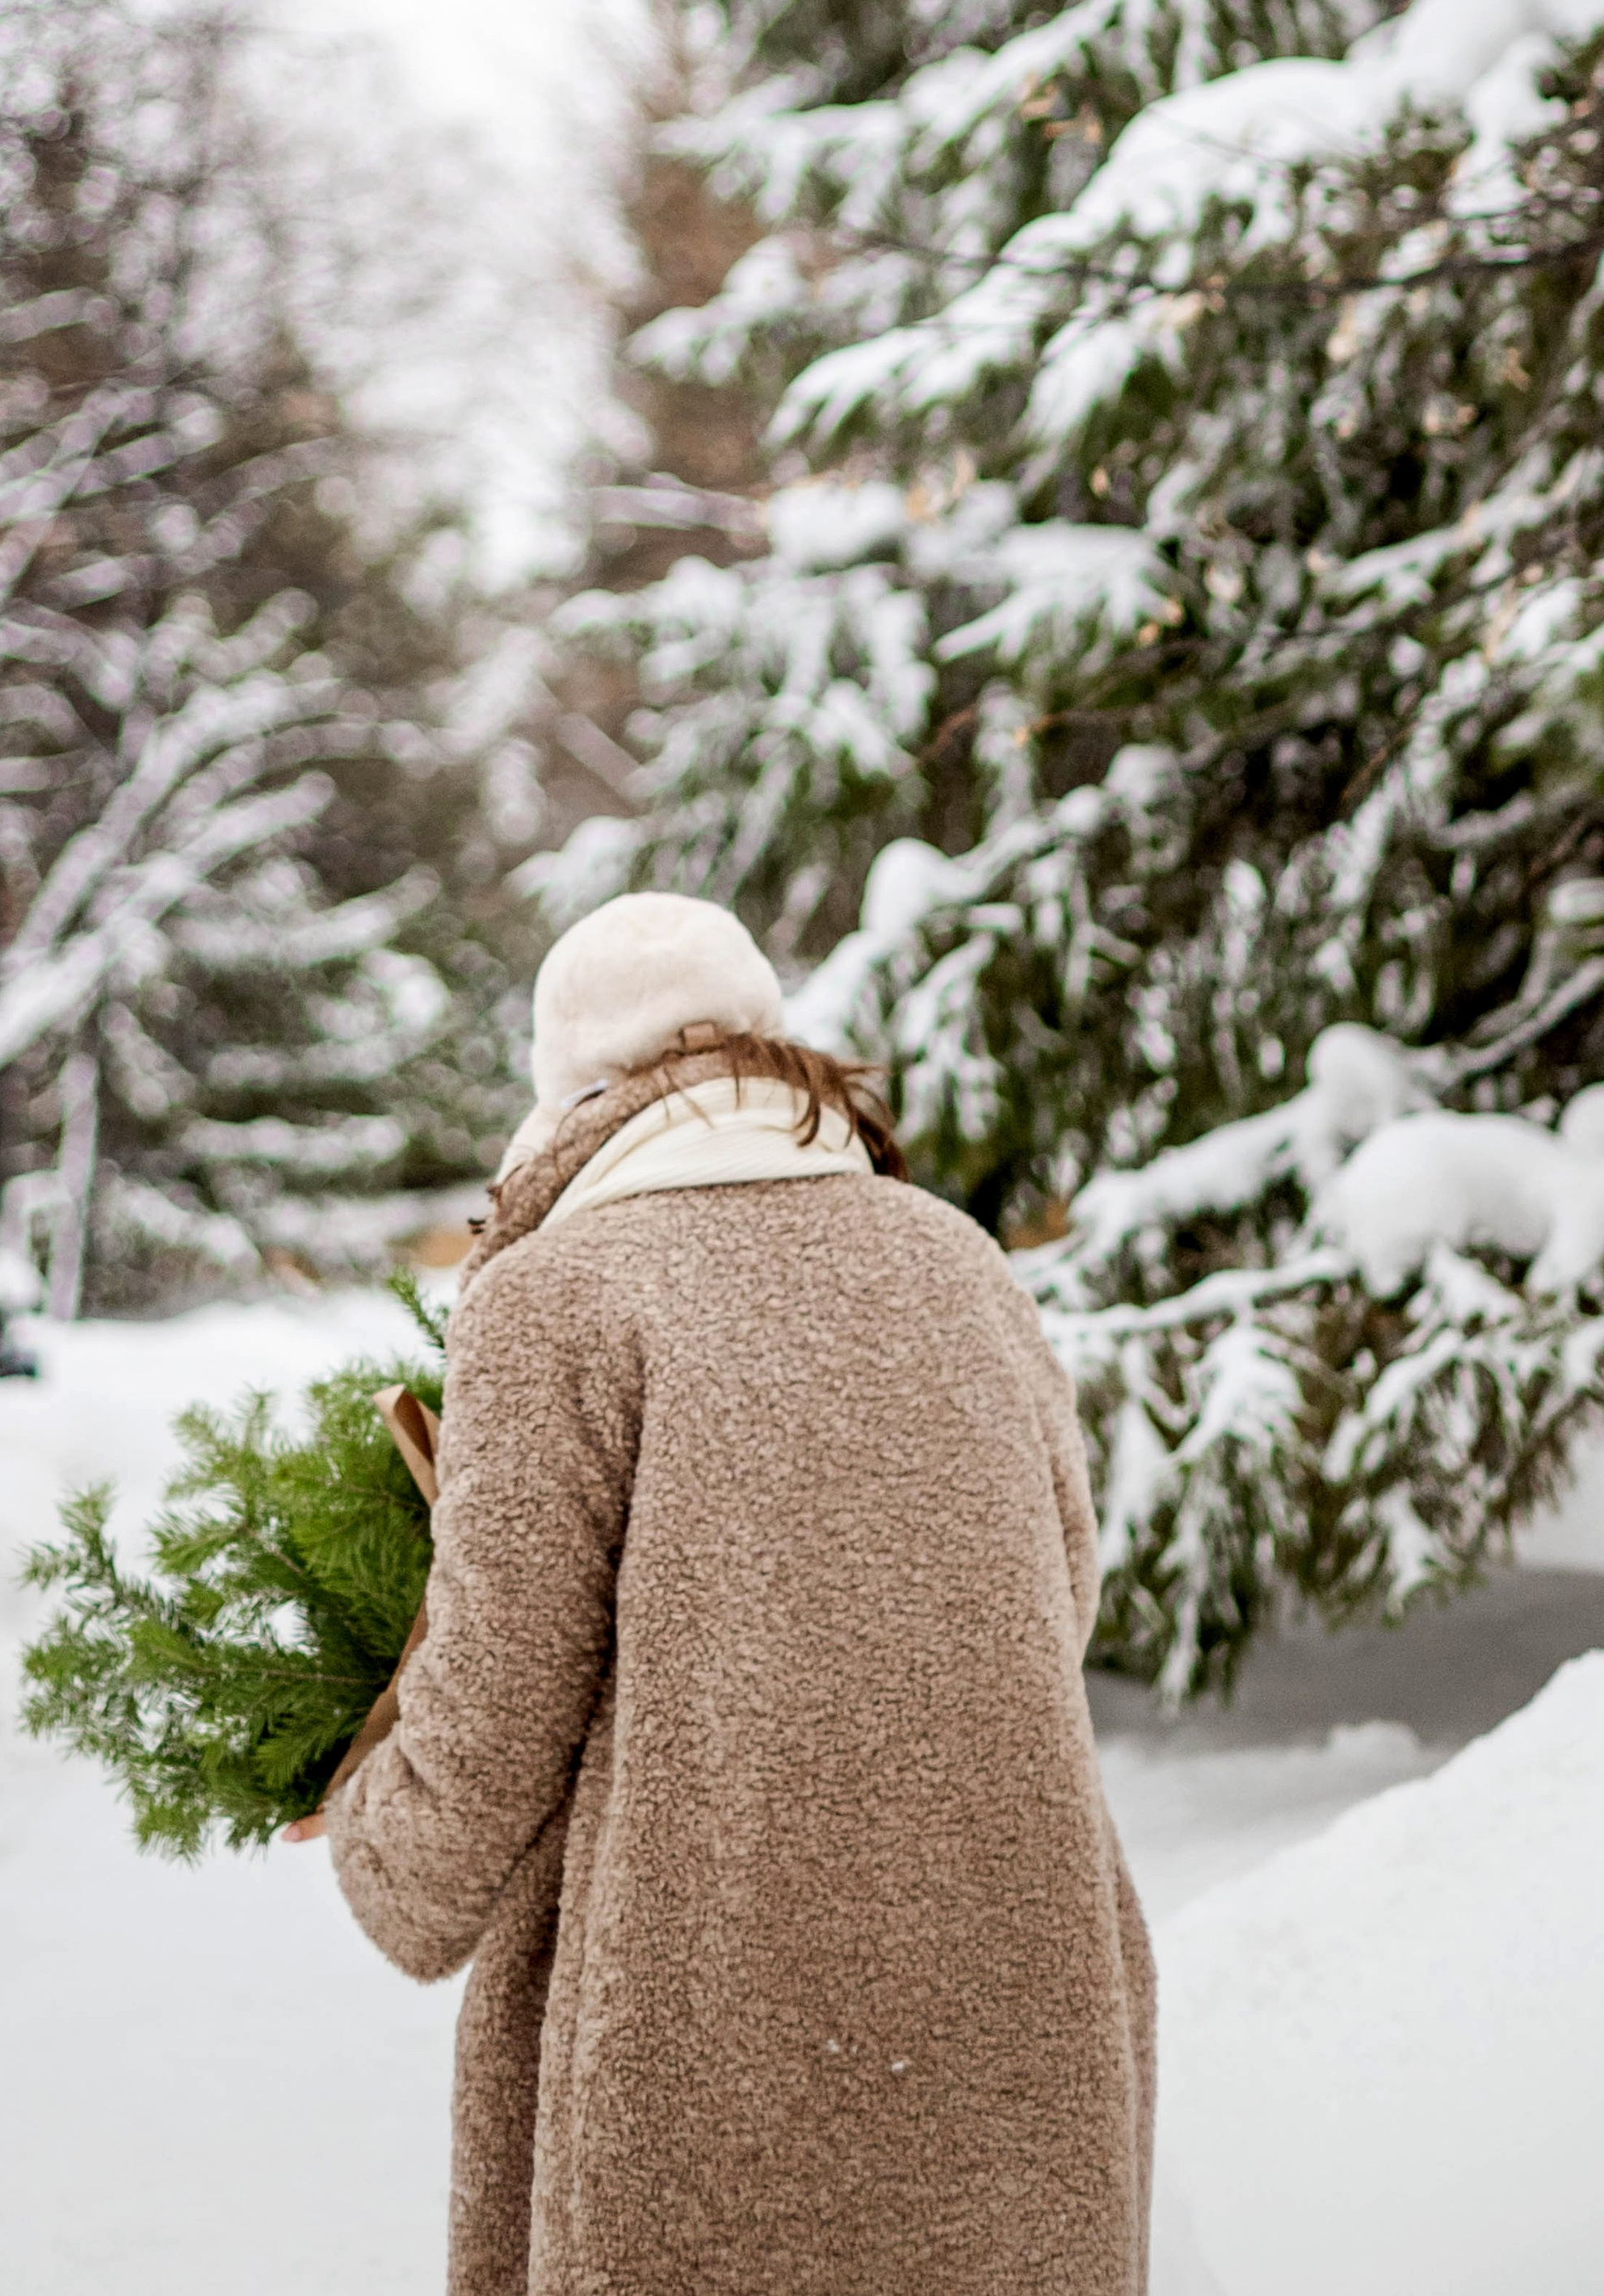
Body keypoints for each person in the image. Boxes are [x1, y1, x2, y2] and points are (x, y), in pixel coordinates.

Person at [296, 890, 1154, 2296]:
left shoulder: (551, 1298)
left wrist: (379, 1833)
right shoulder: (959, 1259)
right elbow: (1060, 1588)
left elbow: (499, 1699)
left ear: (569, 1091)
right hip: (1018, 1996)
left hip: (710, 2025)